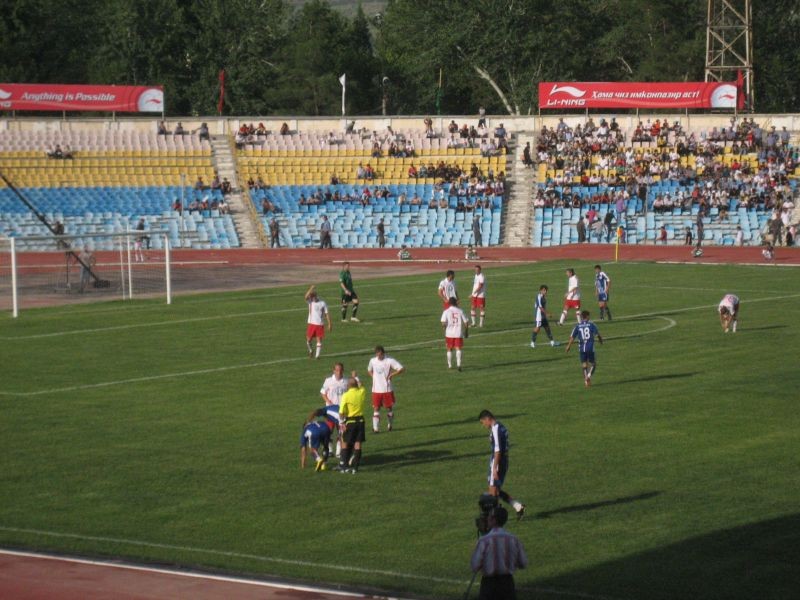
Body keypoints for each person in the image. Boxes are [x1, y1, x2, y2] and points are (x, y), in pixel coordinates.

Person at [470, 505, 528, 600]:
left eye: (489, 517)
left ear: (494, 520)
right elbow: (523, 563)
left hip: (489, 585)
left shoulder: (484, 541)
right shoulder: (513, 539)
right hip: (507, 584)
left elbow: (474, 565)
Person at [478, 410, 525, 519]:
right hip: (503, 461)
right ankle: (517, 506)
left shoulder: (495, 429)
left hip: (498, 461)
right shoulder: (500, 426)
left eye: (482, 422)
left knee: (493, 492)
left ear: (487, 419)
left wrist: (494, 467)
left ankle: (494, 518)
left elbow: (498, 450)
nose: (483, 425)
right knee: (496, 490)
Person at [367, 346, 404, 433]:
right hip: (376, 390)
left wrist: (392, 375)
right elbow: (369, 370)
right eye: (377, 355)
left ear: (383, 353)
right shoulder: (373, 361)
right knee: (376, 408)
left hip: (387, 389)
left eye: (380, 355)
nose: (379, 356)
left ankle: (390, 425)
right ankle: (376, 429)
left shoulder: (389, 360)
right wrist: (373, 377)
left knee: (389, 408)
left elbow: (401, 368)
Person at [338, 373, 368, 473]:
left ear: (348, 386)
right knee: (358, 444)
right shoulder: (361, 392)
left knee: (345, 442)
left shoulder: (346, 395)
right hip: (360, 421)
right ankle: (355, 468)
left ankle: (345, 466)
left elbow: (341, 412)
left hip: (350, 421)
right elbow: (362, 385)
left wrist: (342, 423)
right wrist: (356, 377)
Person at [565, 310, 603, 388]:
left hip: (582, 348)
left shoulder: (577, 326)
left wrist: (568, 346)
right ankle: (588, 377)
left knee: (584, 364)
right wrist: (600, 340)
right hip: (590, 348)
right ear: (587, 316)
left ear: (582, 317)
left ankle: (586, 381)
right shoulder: (591, 324)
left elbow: (572, 337)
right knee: (593, 364)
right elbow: (597, 334)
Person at [441, 297, 469, 371]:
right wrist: (466, 332)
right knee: (458, 348)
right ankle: (459, 364)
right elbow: (466, 322)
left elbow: (443, 323)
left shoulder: (446, 311)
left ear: (449, 303)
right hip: (458, 333)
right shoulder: (460, 311)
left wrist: (444, 329)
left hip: (449, 333)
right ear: (456, 302)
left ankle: (450, 365)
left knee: (449, 349)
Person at [304, 286, 332, 359]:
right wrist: (311, 289)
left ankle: (317, 356)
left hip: (319, 324)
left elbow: (327, 314)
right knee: (308, 340)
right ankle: (311, 351)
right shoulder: (310, 302)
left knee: (319, 340)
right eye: (311, 297)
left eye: (313, 297)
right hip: (311, 324)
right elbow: (305, 296)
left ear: (316, 296)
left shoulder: (322, 303)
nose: (312, 298)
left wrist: (329, 324)